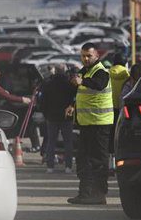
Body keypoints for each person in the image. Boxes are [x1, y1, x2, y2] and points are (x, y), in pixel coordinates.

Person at [68, 43, 114, 204]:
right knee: (83, 159)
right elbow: (78, 89)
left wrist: (82, 81)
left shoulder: (101, 71)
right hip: (87, 124)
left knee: (98, 160)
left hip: (100, 124)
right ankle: (85, 194)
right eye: (83, 56)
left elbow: (99, 84)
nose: (86, 59)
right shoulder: (85, 71)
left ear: (97, 56)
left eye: (89, 55)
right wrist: (71, 104)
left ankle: (99, 194)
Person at [39, 65, 77, 173]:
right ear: (65, 71)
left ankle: (50, 166)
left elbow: (43, 101)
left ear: (55, 71)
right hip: (66, 117)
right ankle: (68, 167)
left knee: (51, 142)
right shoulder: (69, 85)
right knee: (68, 142)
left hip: (52, 117)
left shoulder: (48, 84)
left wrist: (45, 114)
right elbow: (75, 99)